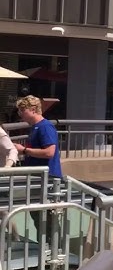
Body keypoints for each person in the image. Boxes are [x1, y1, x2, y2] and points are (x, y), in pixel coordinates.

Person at [14, 96, 62, 246]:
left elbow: (49, 152)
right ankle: (47, 246)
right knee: (37, 215)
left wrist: (25, 150)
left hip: (47, 179)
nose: (20, 114)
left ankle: (53, 247)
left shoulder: (44, 127)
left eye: (23, 110)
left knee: (45, 216)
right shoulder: (36, 128)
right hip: (38, 179)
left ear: (33, 110)